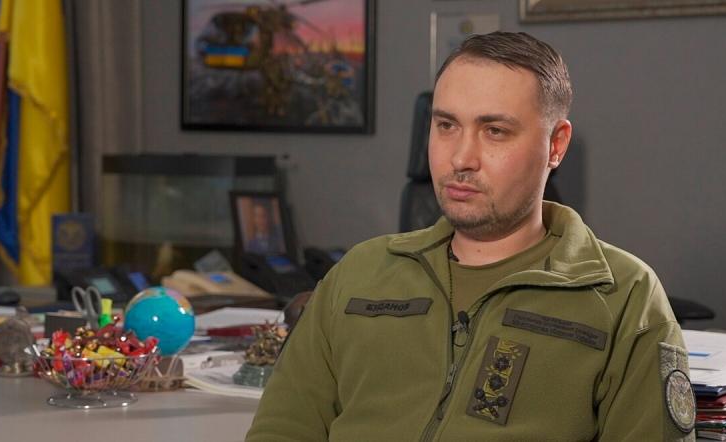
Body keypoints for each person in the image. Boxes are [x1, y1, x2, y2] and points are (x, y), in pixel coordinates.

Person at [246, 32, 694, 441]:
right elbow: (282, 430)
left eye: (494, 131)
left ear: (555, 145)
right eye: (446, 125)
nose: (461, 157)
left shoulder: (624, 297)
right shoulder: (359, 275)